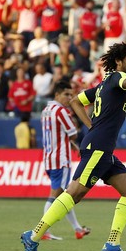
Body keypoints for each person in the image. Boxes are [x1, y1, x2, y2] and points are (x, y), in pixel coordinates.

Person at [21, 43, 126, 251]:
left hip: (104, 148)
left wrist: (91, 126)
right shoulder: (116, 79)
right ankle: (33, 236)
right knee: (74, 193)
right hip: (98, 148)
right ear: (118, 62)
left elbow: (75, 101)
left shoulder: (104, 85)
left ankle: (113, 243)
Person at [41, 81, 90, 241]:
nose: (69, 98)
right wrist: (74, 140)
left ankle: (77, 229)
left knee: (64, 195)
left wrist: (71, 144)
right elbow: (73, 133)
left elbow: (58, 134)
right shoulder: (62, 111)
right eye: (66, 94)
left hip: (48, 158)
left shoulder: (46, 110)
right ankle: (42, 230)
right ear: (57, 94)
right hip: (61, 159)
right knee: (57, 195)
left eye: (71, 95)